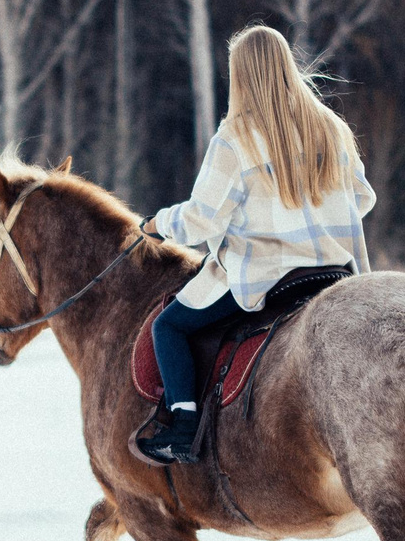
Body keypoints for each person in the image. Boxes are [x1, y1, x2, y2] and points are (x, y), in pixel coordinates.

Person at [134, 25, 376, 465]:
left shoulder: (235, 138)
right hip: (334, 274)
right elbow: (363, 198)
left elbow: (200, 220)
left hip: (268, 278)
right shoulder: (330, 126)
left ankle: (183, 427)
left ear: (240, 76)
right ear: (287, 65)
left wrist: (156, 224)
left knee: (167, 327)